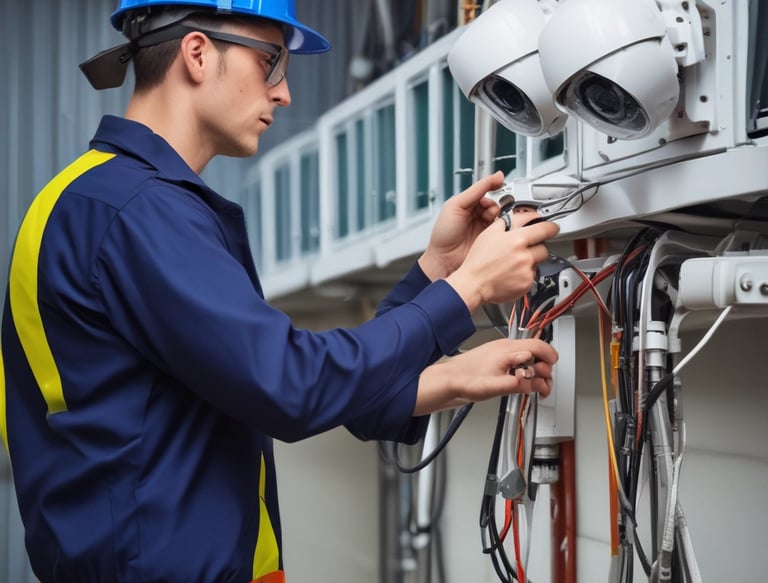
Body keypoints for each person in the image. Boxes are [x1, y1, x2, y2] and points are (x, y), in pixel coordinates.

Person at [0, 1, 560, 582]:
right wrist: (465, 290)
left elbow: (250, 382)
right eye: (270, 62)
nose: (284, 92)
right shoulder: (136, 211)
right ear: (196, 54)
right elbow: (290, 385)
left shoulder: (97, 199)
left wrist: (436, 274)